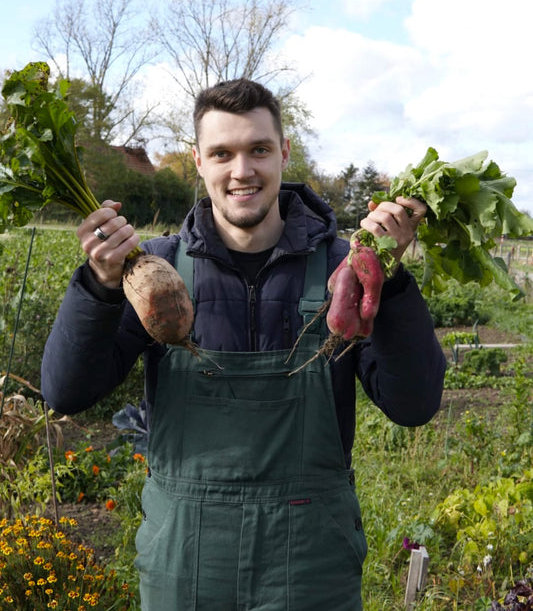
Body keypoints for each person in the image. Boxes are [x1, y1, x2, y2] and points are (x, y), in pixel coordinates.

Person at [41, 79, 446, 611]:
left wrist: (385, 280)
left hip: (310, 565)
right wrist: (98, 286)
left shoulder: (341, 269)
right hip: (185, 562)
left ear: (283, 152)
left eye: (258, 149)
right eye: (222, 153)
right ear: (198, 161)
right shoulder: (153, 271)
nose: (241, 171)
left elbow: (414, 405)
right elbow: (66, 393)